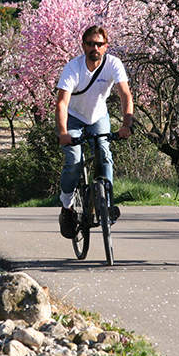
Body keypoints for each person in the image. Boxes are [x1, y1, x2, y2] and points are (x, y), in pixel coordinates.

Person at [55, 25, 134, 239]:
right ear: (83, 46)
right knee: (74, 160)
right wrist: (63, 131)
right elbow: (62, 103)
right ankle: (67, 206)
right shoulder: (73, 68)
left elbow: (125, 94)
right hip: (73, 118)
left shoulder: (113, 64)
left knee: (105, 155)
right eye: (90, 44)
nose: (94, 48)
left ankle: (106, 206)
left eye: (99, 44)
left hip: (98, 116)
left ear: (106, 46)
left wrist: (126, 124)